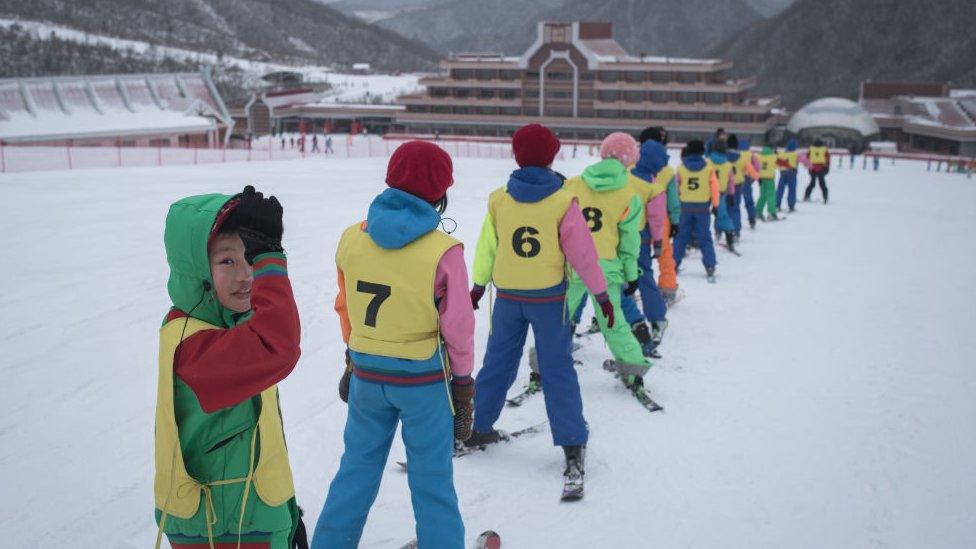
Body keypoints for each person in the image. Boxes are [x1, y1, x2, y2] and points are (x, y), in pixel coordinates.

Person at [313, 141, 472, 548]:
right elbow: (458, 326)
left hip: (368, 375)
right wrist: (464, 384)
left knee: (356, 470)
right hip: (423, 382)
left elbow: (345, 305)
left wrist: (352, 357)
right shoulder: (443, 251)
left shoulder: (352, 239)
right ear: (441, 193)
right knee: (431, 480)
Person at [154, 186, 307, 549]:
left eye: (251, 258)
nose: (247, 275)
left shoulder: (234, 326)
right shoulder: (192, 345)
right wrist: (270, 258)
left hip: (253, 515)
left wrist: (286, 515)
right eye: (227, 261)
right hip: (222, 530)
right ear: (196, 270)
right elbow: (278, 345)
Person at [467, 123, 610, 482]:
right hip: (549, 299)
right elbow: (583, 253)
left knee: (496, 363)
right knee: (557, 368)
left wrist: (479, 283)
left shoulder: (500, 198)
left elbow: (489, 245)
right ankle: (572, 442)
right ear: (552, 156)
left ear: (517, 155)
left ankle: (476, 426)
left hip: (508, 298)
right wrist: (601, 294)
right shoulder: (563, 200)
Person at [564, 133, 652, 383]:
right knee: (613, 321)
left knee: (559, 319)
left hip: (574, 266)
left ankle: (543, 365)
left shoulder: (573, 185)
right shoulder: (629, 194)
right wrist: (632, 275)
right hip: (606, 271)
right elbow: (629, 243)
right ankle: (633, 368)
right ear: (630, 159)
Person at [628, 136, 673, 356]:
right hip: (642, 239)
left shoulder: (624, 177)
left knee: (619, 280)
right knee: (644, 275)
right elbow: (657, 220)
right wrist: (658, 242)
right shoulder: (654, 187)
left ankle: (626, 318)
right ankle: (657, 318)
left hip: (618, 237)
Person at [638, 127, 681, 306]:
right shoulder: (668, 171)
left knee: (633, 256)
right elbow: (672, 200)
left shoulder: (633, 165)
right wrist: (676, 220)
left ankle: (627, 290)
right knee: (664, 254)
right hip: (661, 219)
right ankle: (667, 289)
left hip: (636, 218)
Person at [672, 139, 719, 282]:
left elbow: (675, 189)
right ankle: (710, 265)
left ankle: (674, 263)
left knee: (681, 237)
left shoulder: (680, 168)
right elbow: (715, 188)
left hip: (684, 208)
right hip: (702, 208)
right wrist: (715, 205)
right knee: (705, 237)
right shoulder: (708, 168)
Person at [726, 134, 759, 239]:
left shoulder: (724, 158)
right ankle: (736, 230)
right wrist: (757, 178)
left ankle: (726, 230)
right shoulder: (743, 158)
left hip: (726, 186)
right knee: (736, 207)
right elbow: (753, 171)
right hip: (739, 184)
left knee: (726, 208)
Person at [708, 139, 738, 252]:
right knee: (723, 216)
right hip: (720, 194)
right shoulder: (728, 165)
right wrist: (731, 194)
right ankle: (730, 237)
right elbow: (731, 181)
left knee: (700, 217)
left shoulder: (707, 162)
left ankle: (694, 239)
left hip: (705, 194)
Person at [755, 145, 781, 221]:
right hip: (769, 179)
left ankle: (757, 212)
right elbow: (777, 164)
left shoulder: (759, 157)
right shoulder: (773, 157)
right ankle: (772, 213)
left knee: (762, 196)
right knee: (771, 196)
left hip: (761, 179)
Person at [776, 139, 800, 212]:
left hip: (783, 173)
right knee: (792, 190)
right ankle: (791, 206)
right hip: (792, 173)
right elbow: (803, 160)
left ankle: (777, 205)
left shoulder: (781, 154)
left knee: (780, 190)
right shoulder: (796, 154)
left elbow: (777, 162)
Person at [804, 138, 830, 203]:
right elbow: (828, 159)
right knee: (822, 183)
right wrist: (827, 167)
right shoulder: (824, 149)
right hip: (821, 168)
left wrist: (808, 167)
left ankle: (806, 196)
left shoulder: (811, 149)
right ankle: (825, 197)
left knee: (812, 183)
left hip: (812, 168)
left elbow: (807, 158)